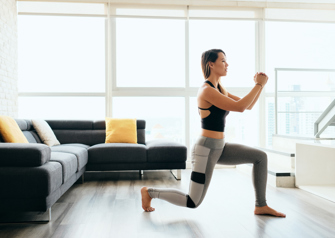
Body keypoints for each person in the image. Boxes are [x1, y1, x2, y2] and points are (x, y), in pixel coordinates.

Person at [141, 49, 286, 217]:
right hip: (206, 149)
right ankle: (149, 192)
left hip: (220, 147)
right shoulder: (207, 90)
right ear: (211, 64)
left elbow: (248, 105)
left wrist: (260, 86)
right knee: (192, 201)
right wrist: (258, 85)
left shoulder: (220, 89)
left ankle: (261, 205)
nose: (227, 64)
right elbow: (240, 108)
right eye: (223, 61)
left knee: (260, 157)